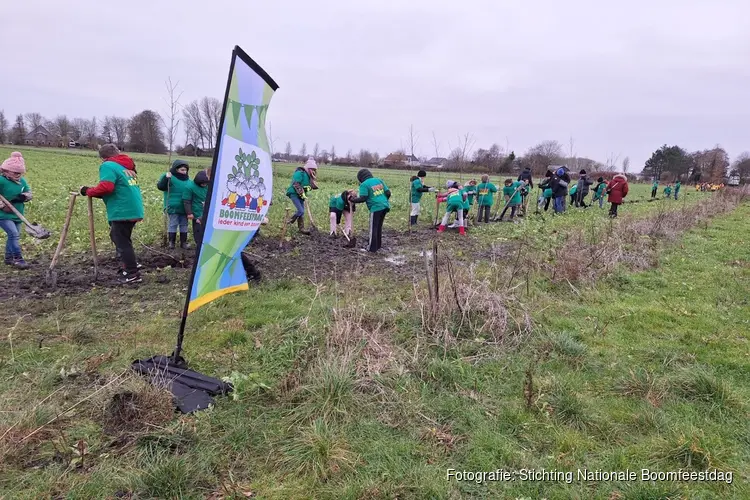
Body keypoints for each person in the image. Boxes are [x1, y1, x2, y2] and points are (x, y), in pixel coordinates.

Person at [81, 144, 145, 284]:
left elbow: (107, 187)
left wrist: (87, 191)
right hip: (133, 208)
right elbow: (117, 188)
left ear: (103, 158)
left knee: (122, 241)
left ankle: (132, 273)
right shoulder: (125, 167)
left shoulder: (108, 165)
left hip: (122, 209)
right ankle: (129, 264)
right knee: (119, 238)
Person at [0, 152, 32, 269]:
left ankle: (8, 259)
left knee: (13, 235)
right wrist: (2, 206)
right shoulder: (1, 181)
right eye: (15, 172)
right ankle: (18, 259)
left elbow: (29, 193)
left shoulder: (22, 181)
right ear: (6, 171)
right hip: (3, 215)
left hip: (18, 214)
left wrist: (24, 196)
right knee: (14, 234)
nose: (18, 175)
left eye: (20, 173)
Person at [349, 169, 390, 252]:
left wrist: (352, 199)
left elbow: (363, 198)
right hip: (385, 206)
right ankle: (378, 246)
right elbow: (388, 193)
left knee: (373, 228)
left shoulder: (364, 184)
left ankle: (371, 249)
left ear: (360, 178)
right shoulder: (379, 180)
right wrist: (383, 201)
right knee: (379, 227)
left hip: (375, 208)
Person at [157, 159, 191, 249]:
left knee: (184, 224)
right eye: (182, 170)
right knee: (173, 224)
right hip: (172, 206)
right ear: (176, 169)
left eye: (185, 170)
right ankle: (171, 242)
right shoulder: (169, 177)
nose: (184, 172)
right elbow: (161, 187)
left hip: (184, 207)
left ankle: (183, 243)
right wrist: (166, 178)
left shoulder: (188, 180)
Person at [285, 158, 318, 235]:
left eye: (314, 169)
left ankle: (301, 228)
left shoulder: (309, 176)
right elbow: (296, 184)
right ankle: (290, 221)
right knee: (301, 211)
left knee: (302, 213)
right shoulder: (300, 173)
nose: (313, 171)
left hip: (301, 196)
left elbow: (308, 187)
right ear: (308, 168)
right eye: (312, 169)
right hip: (294, 194)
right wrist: (301, 193)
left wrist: (312, 184)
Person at [182, 169, 209, 247]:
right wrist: (189, 213)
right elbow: (186, 201)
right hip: (196, 212)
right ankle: (199, 244)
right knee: (198, 230)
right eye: (202, 184)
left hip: (207, 213)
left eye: (205, 183)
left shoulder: (209, 186)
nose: (204, 185)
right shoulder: (190, 187)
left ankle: (206, 244)